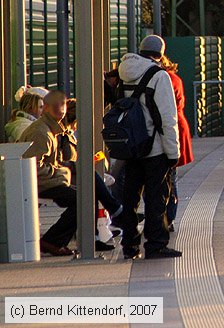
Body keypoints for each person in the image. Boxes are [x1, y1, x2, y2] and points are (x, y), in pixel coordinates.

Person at [116, 35, 181, 260]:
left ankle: (130, 246)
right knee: (156, 198)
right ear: (160, 54)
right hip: (154, 148)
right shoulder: (159, 75)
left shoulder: (122, 71)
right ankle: (155, 245)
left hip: (131, 147)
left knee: (130, 198)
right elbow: (167, 117)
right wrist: (173, 153)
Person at [58, 98, 124, 251]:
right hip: (66, 174)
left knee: (92, 181)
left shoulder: (67, 133)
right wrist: (81, 164)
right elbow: (61, 162)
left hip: (72, 172)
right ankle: (116, 211)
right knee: (91, 181)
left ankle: (101, 228)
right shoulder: (61, 135)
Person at [20, 91, 78, 256]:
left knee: (86, 195)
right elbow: (33, 167)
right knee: (81, 200)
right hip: (39, 182)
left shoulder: (50, 129)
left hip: (44, 180)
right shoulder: (41, 132)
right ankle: (52, 241)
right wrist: (62, 172)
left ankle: (55, 240)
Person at [158, 55, 194, 230]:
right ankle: (168, 217)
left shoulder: (163, 80)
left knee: (168, 177)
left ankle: (167, 217)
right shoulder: (175, 79)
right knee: (172, 176)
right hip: (178, 126)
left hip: (171, 129)